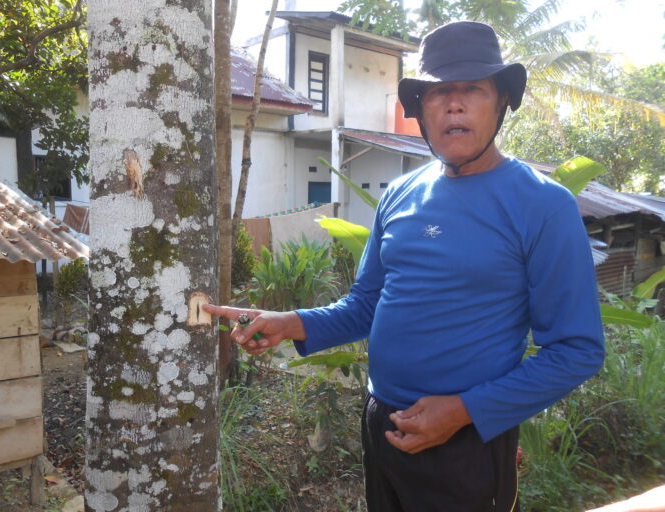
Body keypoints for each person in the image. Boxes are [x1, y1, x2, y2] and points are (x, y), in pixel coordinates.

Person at [204, 20, 604, 512]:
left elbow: (576, 350)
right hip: (382, 426)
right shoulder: (399, 194)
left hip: (465, 443)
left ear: (501, 102)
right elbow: (366, 305)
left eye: (472, 90)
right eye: (438, 93)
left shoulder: (543, 205)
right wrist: (292, 323)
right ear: (419, 110)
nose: (453, 104)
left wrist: (463, 412)